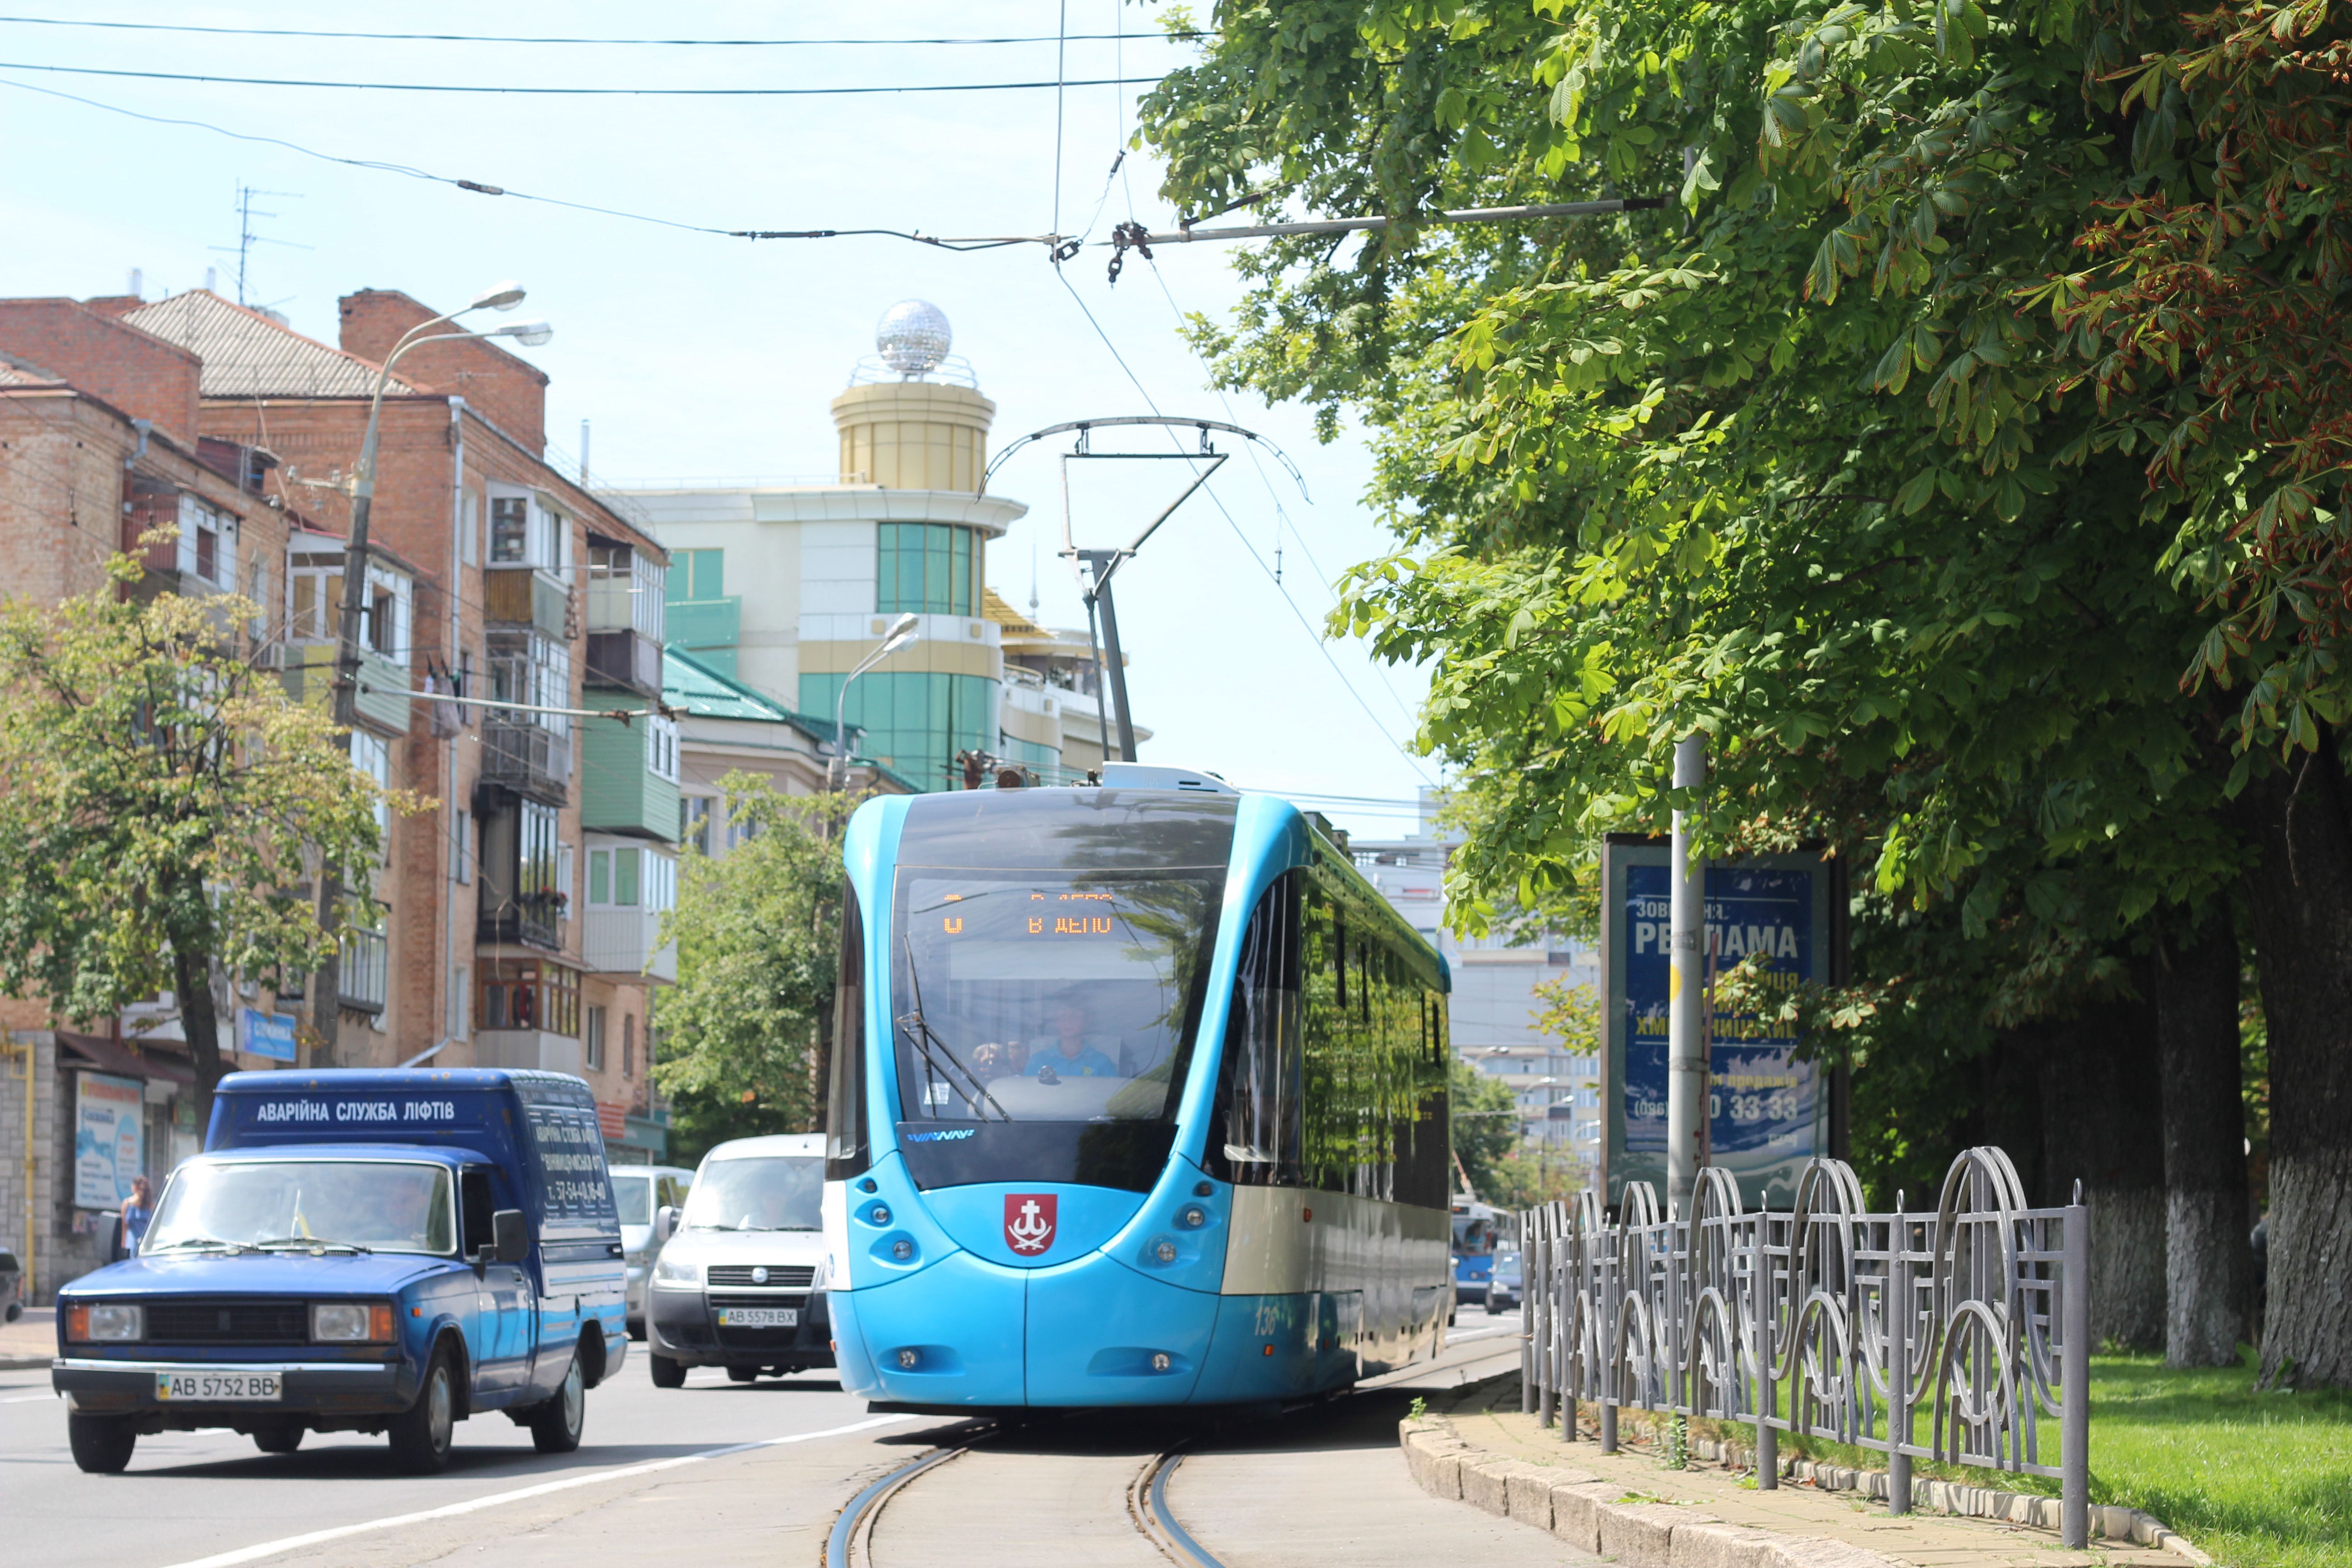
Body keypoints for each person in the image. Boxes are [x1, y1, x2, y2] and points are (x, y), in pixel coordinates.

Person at [1034, 1005, 1118, 1079]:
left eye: (1075, 1016)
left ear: (1086, 1022)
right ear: (1057, 1022)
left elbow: (1117, 1096)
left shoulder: (1102, 1062)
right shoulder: (1038, 1061)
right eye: (1063, 1016)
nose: (1068, 1021)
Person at [118, 1175, 155, 1257]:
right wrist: (123, 1246)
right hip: (131, 1242)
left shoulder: (150, 1205)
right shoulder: (127, 1204)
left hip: (145, 1243)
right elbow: (124, 1227)